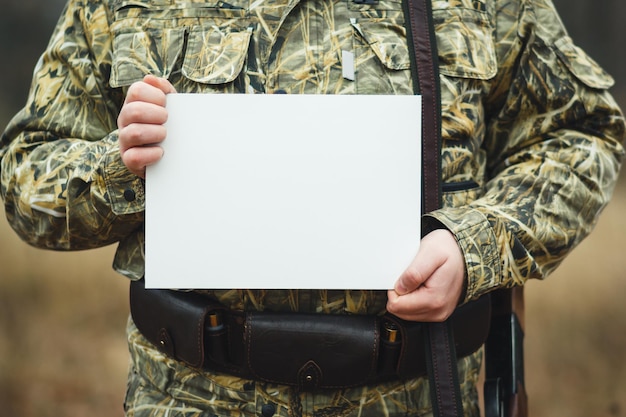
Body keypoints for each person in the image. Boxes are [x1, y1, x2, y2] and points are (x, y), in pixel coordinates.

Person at [1, 0, 624, 415]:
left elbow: (583, 131)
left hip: (418, 393)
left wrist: (477, 243)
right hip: (190, 397)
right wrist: (121, 166)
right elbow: (24, 181)